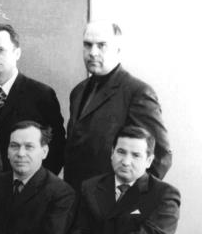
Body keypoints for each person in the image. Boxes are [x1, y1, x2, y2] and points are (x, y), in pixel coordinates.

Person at [64, 21, 171, 190]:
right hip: (76, 198)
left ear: (117, 49)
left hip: (111, 201)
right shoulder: (78, 92)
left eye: (102, 45)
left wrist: (129, 197)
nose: (93, 52)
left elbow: (161, 155)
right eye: (88, 45)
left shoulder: (137, 92)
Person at [0, 23, 66, 174]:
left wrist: (38, 183)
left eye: (0, 50)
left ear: (17, 53)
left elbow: (57, 147)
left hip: (29, 183)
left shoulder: (42, 95)